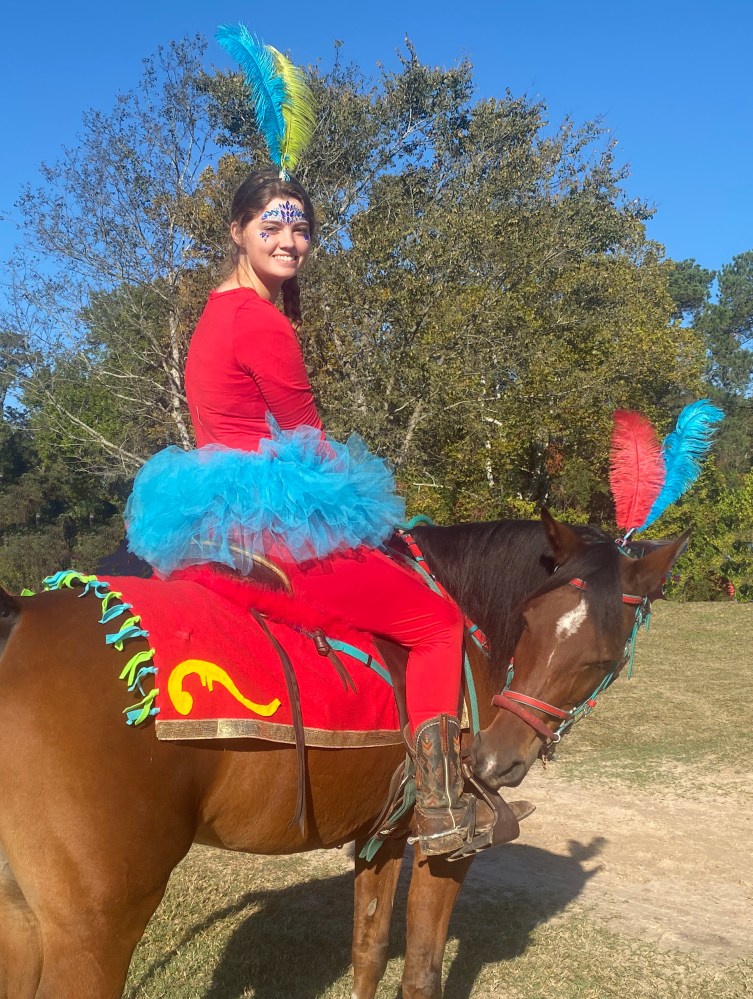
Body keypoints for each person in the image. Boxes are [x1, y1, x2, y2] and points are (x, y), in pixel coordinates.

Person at [126, 169, 528, 857]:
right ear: (237, 231)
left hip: (211, 519)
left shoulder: (216, 311)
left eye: (300, 229)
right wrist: (363, 513)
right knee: (436, 622)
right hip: (272, 522)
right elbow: (307, 436)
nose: (289, 241)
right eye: (272, 226)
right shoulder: (262, 323)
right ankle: (437, 804)